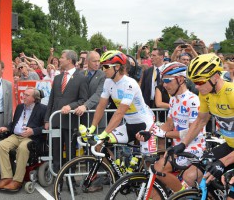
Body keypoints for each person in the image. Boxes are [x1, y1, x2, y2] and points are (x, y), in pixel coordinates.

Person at [167, 53, 234, 199]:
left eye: (201, 82)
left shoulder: (231, 94)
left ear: (216, 77)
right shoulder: (206, 94)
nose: (197, 86)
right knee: (190, 176)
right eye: (194, 82)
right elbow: (200, 121)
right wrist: (183, 145)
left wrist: (224, 161)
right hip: (230, 145)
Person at [149, 62, 204, 193]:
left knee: (159, 170)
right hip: (178, 148)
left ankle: (182, 195)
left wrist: (165, 134)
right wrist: (149, 132)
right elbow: (169, 125)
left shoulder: (193, 100)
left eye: (167, 80)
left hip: (193, 148)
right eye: (163, 81)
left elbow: (190, 132)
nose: (164, 85)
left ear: (180, 79)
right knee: (155, 175)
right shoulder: (173, 99)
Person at [89, 51, 156, 154]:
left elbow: (120, 113)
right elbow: (101, 106)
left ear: (117, 67)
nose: (103, 70)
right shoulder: (107, 82)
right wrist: (92, 128)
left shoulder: (130, 84)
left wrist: (105, 133)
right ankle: (112, 170)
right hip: (129, 125)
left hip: (145, 124)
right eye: (102, 67)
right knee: (99, 145)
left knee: (148, 161)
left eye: (106, 67)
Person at [0, 88, 46, 191]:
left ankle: (17, 181)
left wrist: (33, 131)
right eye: (24, 94)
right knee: (1, 145)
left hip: (30, 137)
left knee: (22, 148)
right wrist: (7, 128)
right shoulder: (20, 107)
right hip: (16, 136)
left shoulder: (43, 109)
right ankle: (7, 177)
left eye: (27, 95)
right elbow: (14, 123)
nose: (23, 96)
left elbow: (46, 127)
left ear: (34, 99)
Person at [44, 50, 88, 173]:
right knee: (56, 151)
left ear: (69, 60)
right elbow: (51, 100)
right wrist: (47, 119)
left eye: (62, 57)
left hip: (70, 122)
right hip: (56, 121)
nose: (60, 59)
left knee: (70, 152)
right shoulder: (57, 78)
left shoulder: (82, 78)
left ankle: (71, 179)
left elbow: (83, 99)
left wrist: (71, 106)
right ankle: (58, 178)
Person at [74, 51, 106, 127]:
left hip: (97, 118)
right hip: (81, 118)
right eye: (94, 61)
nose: (97, 63)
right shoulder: (80, 74)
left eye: (99, 61)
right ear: (87, 61)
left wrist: (85, 106)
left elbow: (99, 94)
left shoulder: (103, 75)